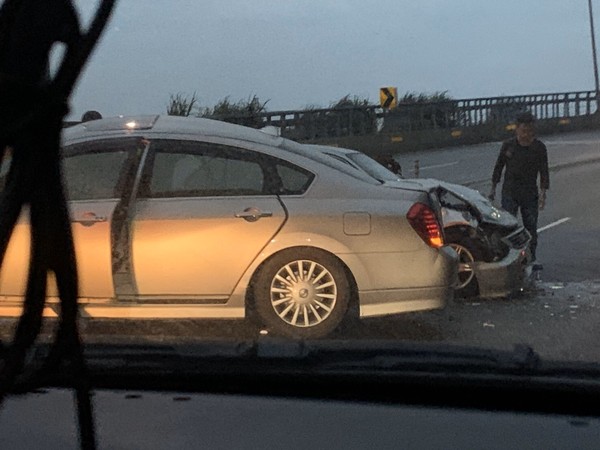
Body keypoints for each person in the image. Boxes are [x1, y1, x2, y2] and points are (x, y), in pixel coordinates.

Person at [489, 112, 549, 263]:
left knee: (531, 228)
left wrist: (543, 194)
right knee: (507, 227)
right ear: (516, 129)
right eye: (523, 131)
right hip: (510, 191)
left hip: (529, 193)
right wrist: (493, 188)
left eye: (529, 131)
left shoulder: (539, 148)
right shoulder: (508, 146)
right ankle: (507, 258)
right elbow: (499, 167)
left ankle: (531, 258)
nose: (526, 134)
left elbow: (544, 171)